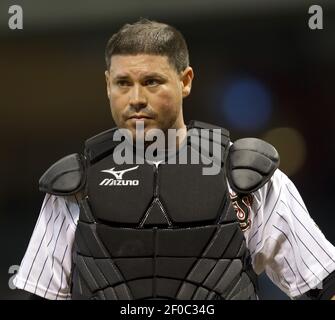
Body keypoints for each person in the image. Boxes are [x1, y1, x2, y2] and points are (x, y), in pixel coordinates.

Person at [13, 19, 335, 300]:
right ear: (107, 85)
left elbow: (323, 284)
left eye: (151, 82)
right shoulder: (75, 185)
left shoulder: (243, 175)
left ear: (185, 81)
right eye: (123, 83)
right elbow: (40, 294)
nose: (136, 99)